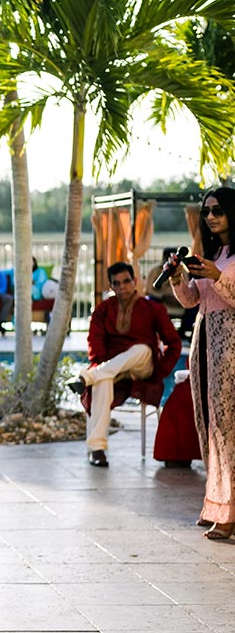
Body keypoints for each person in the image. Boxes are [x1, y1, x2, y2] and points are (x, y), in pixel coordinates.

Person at [69, 262, 181, 467]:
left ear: (135, 281)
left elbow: (173, 343)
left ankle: (89, 376)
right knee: (103, 381)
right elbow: (94, 341)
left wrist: (161, 371)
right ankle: (97, 449)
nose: (122, 287)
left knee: (142, 349)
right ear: (111, 287)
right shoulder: (103, 310)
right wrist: (101, 364)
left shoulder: (152, 308)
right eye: (117, 284)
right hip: (112, 368)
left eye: (126, 281)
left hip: (142, 366)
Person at [171, 186, 235, 539]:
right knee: (209, 423)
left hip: (231, 347)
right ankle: (217, 502)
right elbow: (192, 300)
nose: (211, 217)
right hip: (204, 342)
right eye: (207, 211)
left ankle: (230, 513)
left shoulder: (227, 259)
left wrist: (217, 276)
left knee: (229, 428)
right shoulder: (214, 253)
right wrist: (182, 276)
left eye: (218, 211)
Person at [146, 247, 198, 341]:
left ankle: (183, 331)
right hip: (162, 301)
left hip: (178, 302)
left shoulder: (182, 272)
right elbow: (149, 289)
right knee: (149, 301)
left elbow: (186, 288)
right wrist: (162, 295)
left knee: (194, 306)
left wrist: (175, 295)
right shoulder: (155, 271)